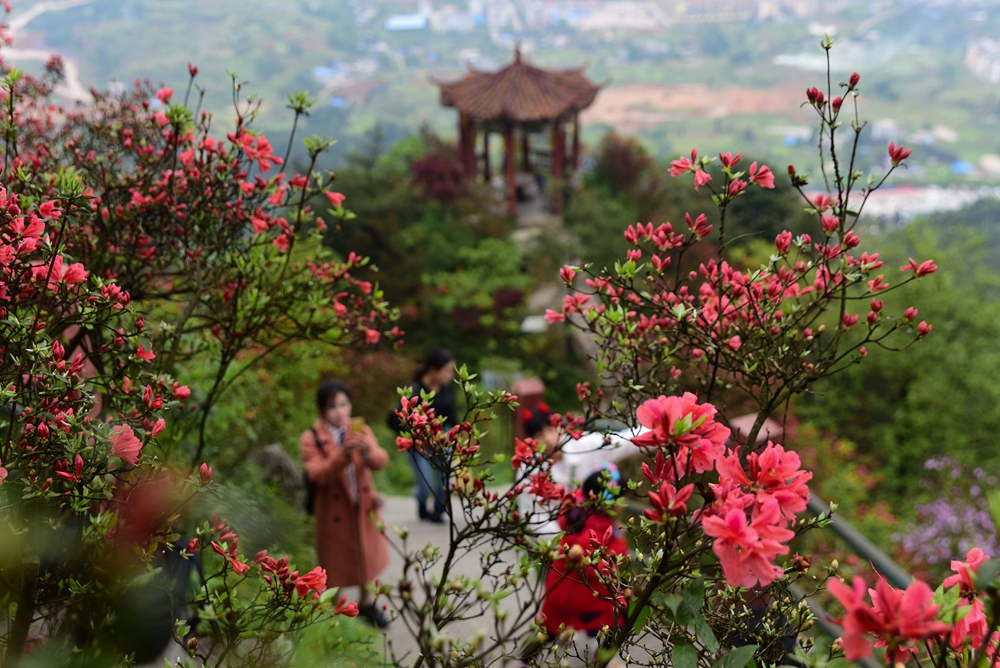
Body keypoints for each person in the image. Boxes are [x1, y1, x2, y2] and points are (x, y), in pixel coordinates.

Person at [300, 379, 390, 628]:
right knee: (334, 566)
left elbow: (382, 461)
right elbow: (316, 474)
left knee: (366, 559)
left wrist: (367, 452)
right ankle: (334, 612)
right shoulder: (311, 438)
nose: (340, 411)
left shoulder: (360, 430)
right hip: (333, 513)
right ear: (321, 411)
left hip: (362, 508)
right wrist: (342, 455)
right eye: (332, 407)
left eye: (344, 404)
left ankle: (366, 604)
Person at [533, 465, 629, 665]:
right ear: (607, 502)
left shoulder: (577, 512)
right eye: (622, 497)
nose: (625, 502)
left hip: (561, 589)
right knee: (610, 621)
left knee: (548, 629)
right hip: (580, 597)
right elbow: (603, 568)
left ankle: (525, 659)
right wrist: (620, 544)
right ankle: (602, 658)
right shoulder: (597, 531)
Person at [392, 348, 457, 523]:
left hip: (441, 442)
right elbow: (393, 420)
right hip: (418, 445)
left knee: (445, 481)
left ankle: (438, 511)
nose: (451, 376)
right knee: (425, 484)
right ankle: (421, 503)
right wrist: (415, 437)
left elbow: (452, 416)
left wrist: (451, 437)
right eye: (448, 371)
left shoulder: (446, 388)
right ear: (433, 370)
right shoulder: (414, 391)